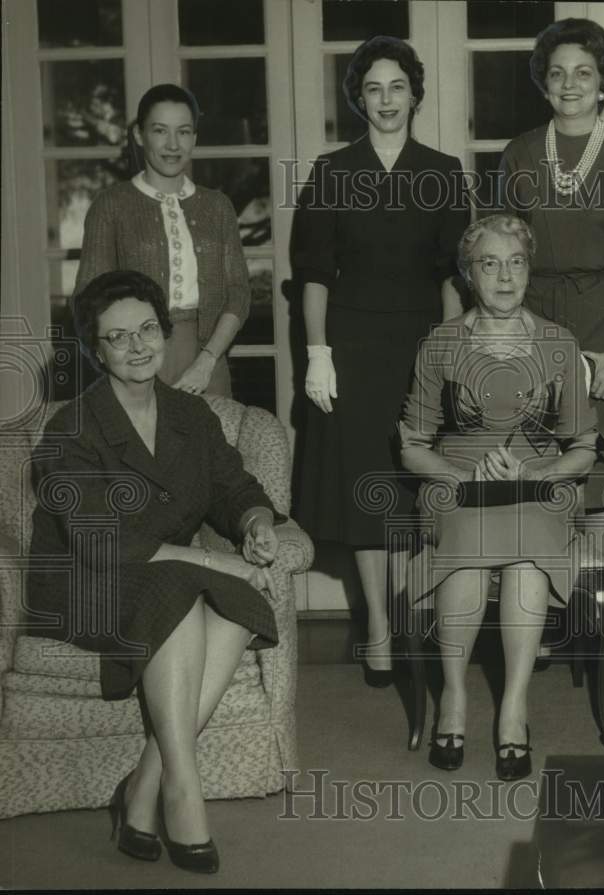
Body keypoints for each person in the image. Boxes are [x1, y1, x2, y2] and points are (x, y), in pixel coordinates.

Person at [27, 270, 281, 873]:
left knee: (244, 601)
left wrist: (253, 523)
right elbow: (99, 538)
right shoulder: (71, 428)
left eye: (147, 329)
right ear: (95, 350)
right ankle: (182, 790)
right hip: (84, 584)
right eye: (119, 337)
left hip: (161, 574)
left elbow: (233, 484)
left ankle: (143, 782)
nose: (138, 346)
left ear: (164, 331)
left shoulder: (191, 417)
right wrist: (208, 557)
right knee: (189, 584)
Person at [293, 36, 469, 687]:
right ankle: (376, 627)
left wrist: (452, 351)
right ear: (358, 99)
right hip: (351, 345)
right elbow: (313, 272)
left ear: (415, 94)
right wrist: (317, 353)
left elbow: (455, 272)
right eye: (374, 88)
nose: (387, 99)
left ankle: (406, 616)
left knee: (410, 487)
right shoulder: (332, 171)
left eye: (398, 87)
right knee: (366, 488)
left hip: (422, 342)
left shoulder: (443, 170)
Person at [399, 215, 599, 780]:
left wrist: (540, 475)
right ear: (468, 275)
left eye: (516, 262)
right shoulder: (440, 344)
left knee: (530, 544)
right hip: (457, 482)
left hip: (539, 482)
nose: (505, 276)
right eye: (490, 264)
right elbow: (412, 445)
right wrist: (461, 479)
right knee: (467, 534)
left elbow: (583, 447)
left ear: (529, 271)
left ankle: (513, 705)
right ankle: (455, 695)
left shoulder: (559, 343)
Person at [500, 17, 604, 516]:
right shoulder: (519, 154)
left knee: (602, 475)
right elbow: (497, 255)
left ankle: (596, 592)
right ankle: (545, 591)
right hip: (536, 324)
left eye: (583, 73)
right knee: (537, 465)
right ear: (544, 85)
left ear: (603, 84)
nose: (570, 85)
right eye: (557, 74)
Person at [75, 84, 250, 397]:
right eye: (160, 130)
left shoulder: (217, 206)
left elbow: (238, 293)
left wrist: (208, 361)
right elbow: (88, 301)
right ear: (140, 135)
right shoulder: (111, 205)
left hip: (206, 358)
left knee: (207, 444)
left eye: (183, 132)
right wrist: (121, 365)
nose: (172, 144)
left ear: (194, 138)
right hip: (135, 357)